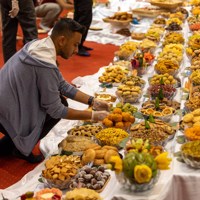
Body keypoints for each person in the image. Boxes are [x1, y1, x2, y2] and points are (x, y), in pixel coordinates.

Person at [0, 18, 109, 163]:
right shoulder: (44, 64)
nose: (76, 50)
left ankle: (8, 146)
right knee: (60, 105)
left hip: (5, 104)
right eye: (75, 45)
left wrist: (92, 101)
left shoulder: (39, 45)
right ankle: (20, 148)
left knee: (58, 99)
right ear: (62, 40)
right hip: (5, 112)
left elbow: (62, 85)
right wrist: (94, 116)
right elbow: (56, 110)